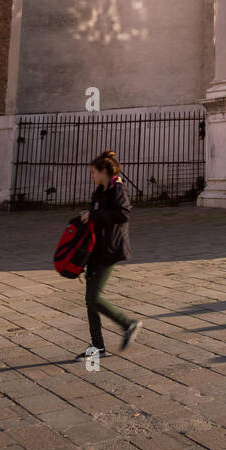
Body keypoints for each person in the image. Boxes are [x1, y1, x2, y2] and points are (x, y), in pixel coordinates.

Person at [79, 151, 141, 359]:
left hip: (110, 249)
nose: (92, 176)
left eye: (93, 172)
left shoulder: (118, 189)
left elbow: (123, 214)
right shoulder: (99, 191)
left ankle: (127, 323)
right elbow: (96, 215)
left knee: (94, 297)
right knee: (89, 300)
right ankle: (97, 346)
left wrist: (95, 214)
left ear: (104, 171)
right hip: (94, 250)